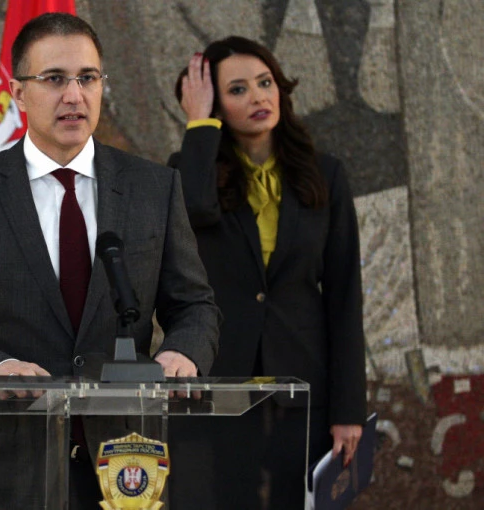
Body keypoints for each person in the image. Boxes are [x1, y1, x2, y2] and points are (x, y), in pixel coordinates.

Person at [0, 13, 220, 510]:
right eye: (54, 79)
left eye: (87, 78)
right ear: (18, 93)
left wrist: (184, 352)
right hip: (8, 470)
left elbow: (194, 305)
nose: (74, 95)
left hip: (126, 469)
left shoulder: (153, 188)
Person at [167, 36, 367, 509]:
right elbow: (192, 212)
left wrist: (349, 410)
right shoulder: (188, 171)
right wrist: (199, 126)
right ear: (215, 105)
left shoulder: (325, 174)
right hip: (220, 385)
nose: (258, 96)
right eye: (237, 89)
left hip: (305, 384)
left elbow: (345, 296)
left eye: (265, 82)